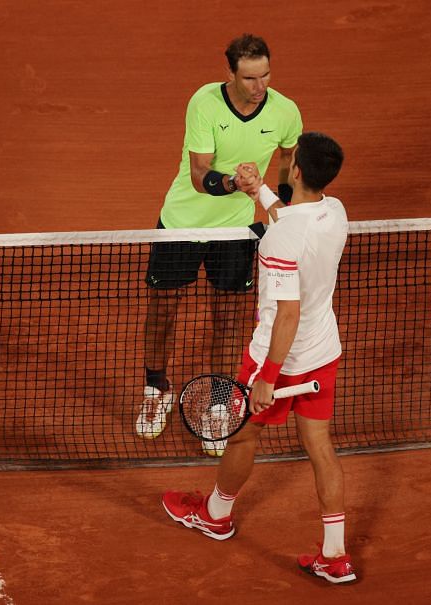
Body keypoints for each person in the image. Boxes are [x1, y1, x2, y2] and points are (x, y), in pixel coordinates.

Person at [162, 132, 358, 585]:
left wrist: (267, 376)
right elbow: (290, 220)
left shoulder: (276, 243)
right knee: (320, 447)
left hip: (276, 357)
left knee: (242, 439)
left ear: (297, 171)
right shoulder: (335, 211)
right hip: (322, 352)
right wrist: (257, 190)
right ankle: (336, 556)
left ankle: (215, 516)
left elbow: (287, 313)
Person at [135, 34, 303, 458]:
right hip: (182, 224)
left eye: (265, 75)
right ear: (229, 74)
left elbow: (288, 160)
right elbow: (199, 176)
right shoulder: (205, 103)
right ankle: (156, 387)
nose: (259, 86)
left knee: (227, 318)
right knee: (162, 310)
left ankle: (216, 400)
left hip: (237, 231)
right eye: (249, 78)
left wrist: (277, 200)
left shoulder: (285, 112)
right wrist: (237, 182)